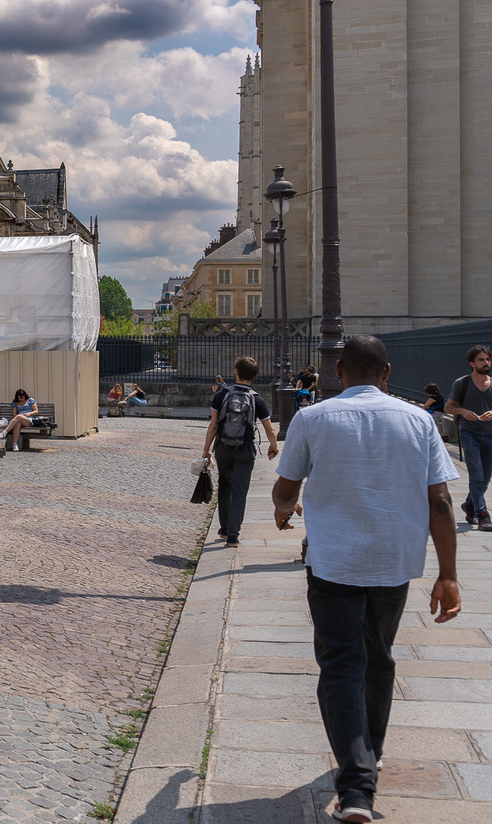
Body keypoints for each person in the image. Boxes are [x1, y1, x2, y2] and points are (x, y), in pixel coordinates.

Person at [271, 335, 460, 824]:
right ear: (387, 371)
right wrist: (449, 575)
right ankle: (370, 754)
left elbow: (285, 487)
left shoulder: (312, 418)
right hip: (395, 560)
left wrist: (283, 507)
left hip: (335, 561)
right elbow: (440, 501)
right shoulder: (419, 419)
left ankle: (356, 790)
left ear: (338, 371)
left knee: (340, 665)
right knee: (378, 658)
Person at [201, 357, 278, 547]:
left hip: (223, 448)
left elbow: (213, 426)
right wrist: (273, 445)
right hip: (245, 450)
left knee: (224, 485)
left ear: (236, 372)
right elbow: (269, 429)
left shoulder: (221, 394)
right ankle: (234, 536)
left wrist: (206, 450)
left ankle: (224, 529)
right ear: (254, 375)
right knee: (240, 491)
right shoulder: (257, 399)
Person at [445, 344, 492, 531]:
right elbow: (448, 407)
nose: (486, 363)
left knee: (486, 478)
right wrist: (462, 411)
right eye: (481, 360)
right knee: (477, 476)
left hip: (490, 434)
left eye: (488, 359)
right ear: (472, 363)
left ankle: (469, 505)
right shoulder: (462, 383)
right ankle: (483, 515)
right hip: (469, 433)